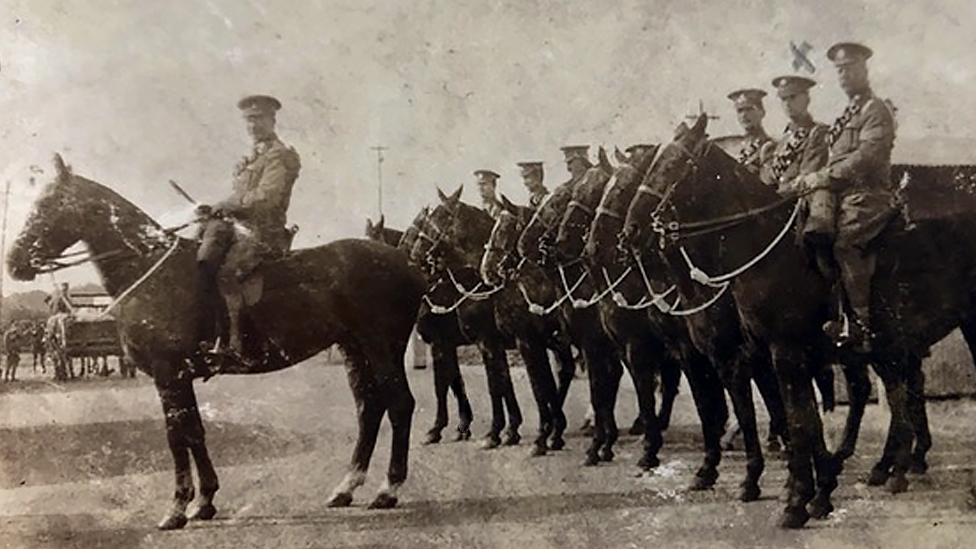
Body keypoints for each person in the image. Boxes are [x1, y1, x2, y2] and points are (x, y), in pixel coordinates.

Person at [800, 42, 897, 352]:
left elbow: (868, 156)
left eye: (849, 67)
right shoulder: (847, 113)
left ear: (864, 69)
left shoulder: (875, 109)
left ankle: (862, 324)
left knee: (845, 244)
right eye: (839, 69)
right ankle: (832, 312)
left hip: (868, 196)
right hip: (842, 196)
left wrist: (825, 177)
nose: (843, 74)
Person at [195, 94, 301, 355]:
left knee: (227, 272)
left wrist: (229, 205)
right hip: (239, 230)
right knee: (200, 259)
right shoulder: (251, 159)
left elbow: (267, 197)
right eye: (248, 120)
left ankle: (236, 343)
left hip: (265, 233)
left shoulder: (280, 156)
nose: (253, 126)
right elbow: (237, 199)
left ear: (272, 120)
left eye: (259, 119)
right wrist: (215, 208)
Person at [726, 88, 772, 173]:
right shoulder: (736, 148)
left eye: (749, 109)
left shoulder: (768, 147)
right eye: (740, 110)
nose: (744, 115)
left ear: (762, 112)